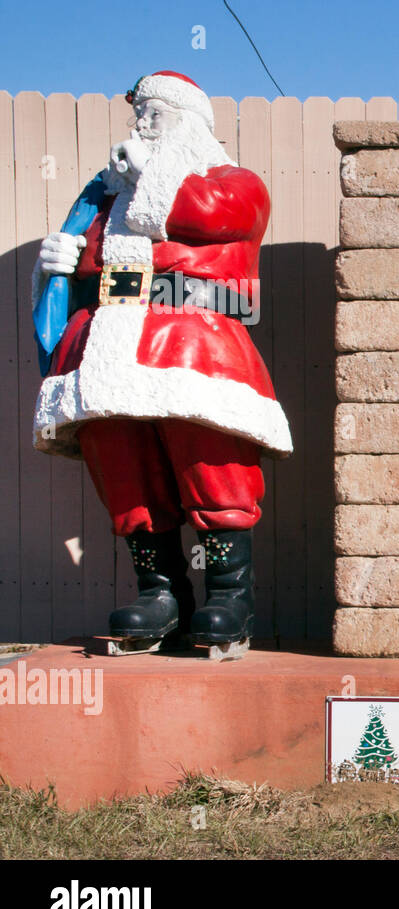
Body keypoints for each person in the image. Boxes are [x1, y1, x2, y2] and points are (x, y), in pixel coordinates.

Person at [31, 71, 291, 647]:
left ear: (192, 124)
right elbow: (87, 263)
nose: (141, 127)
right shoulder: (110, 200)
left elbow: (206, 213)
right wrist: (63, 259)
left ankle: (230, 594)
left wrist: (147, 173)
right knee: (124, 465)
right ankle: (161, 592)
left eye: (156, 116)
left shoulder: (233, 182)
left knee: (210, 458)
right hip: (108, 347)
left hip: (192, 342)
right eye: (138, 115)